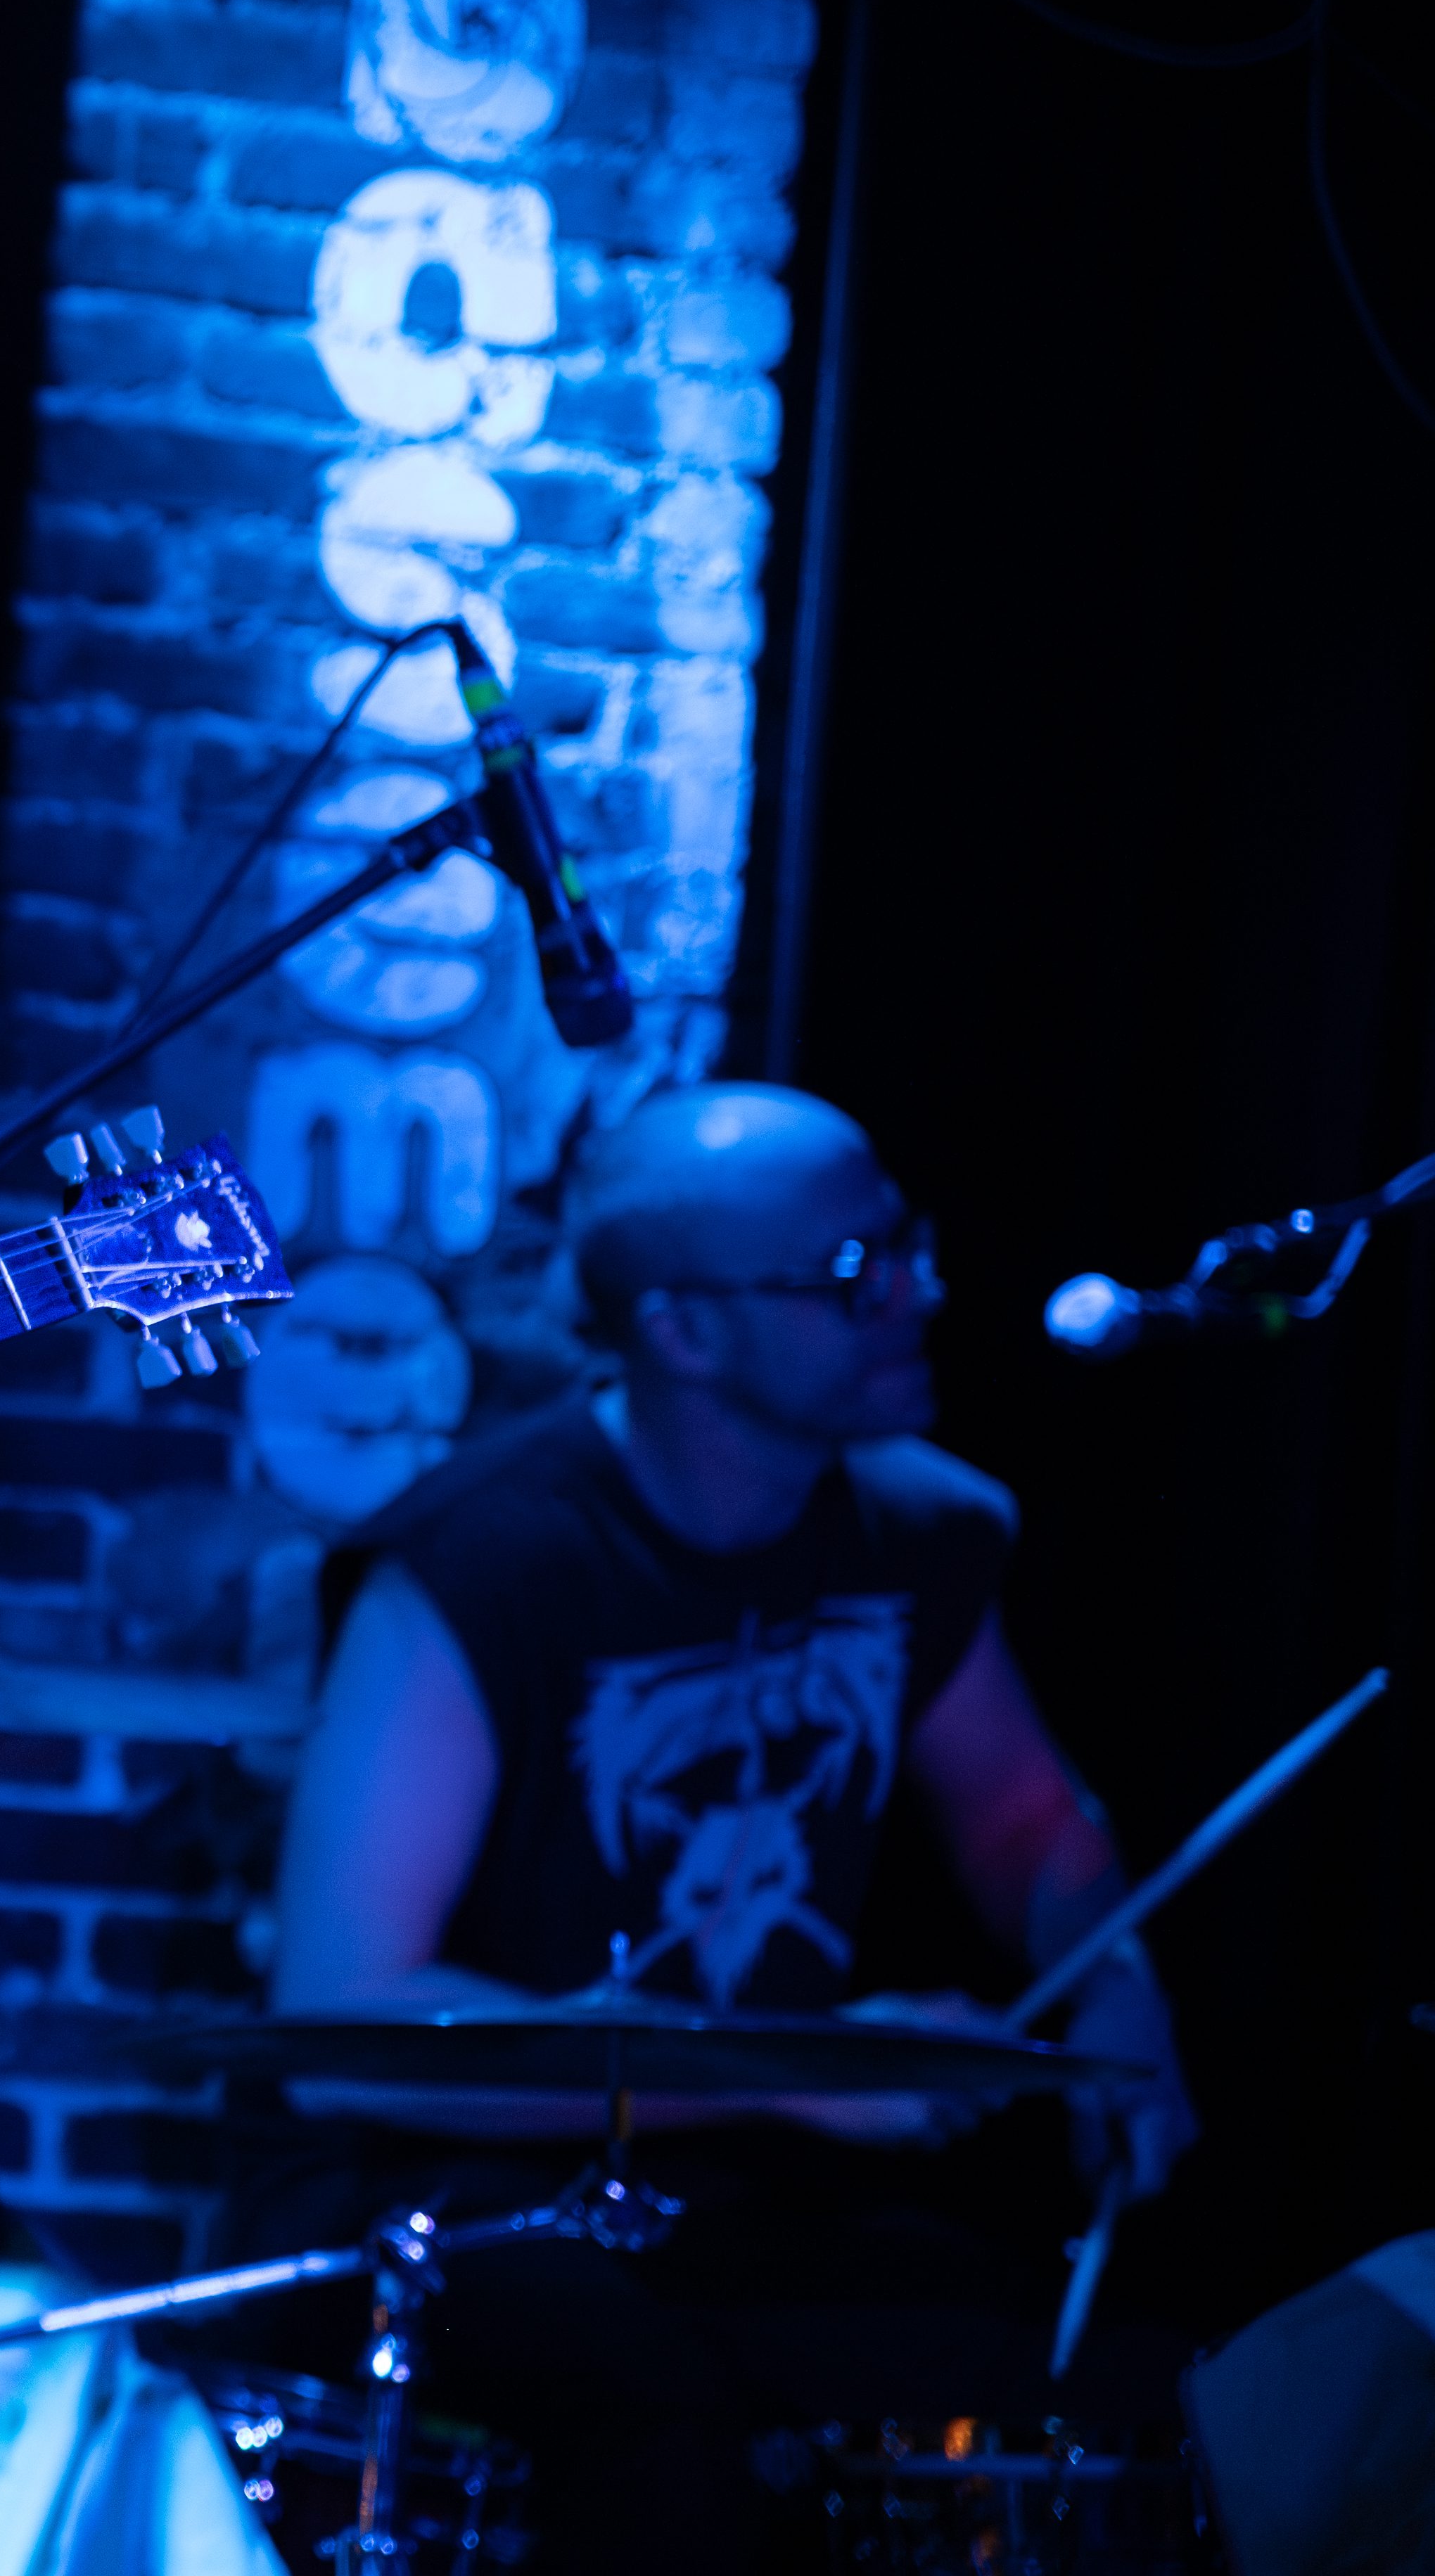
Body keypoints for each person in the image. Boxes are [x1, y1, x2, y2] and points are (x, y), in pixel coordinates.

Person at [242, 1083, 1199, 2565]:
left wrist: (1119, 1987)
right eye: (851, 1270)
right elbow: (351, 2018)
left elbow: (1025, 1822)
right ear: (682, 1328)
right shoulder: (473, 1565)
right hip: (435, 2200)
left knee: (1071, 2371)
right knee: (652, 2408)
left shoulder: (918, 1530)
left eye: (908, 1245)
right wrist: (786, 2074)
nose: (919, 1290)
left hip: (730, 2171)